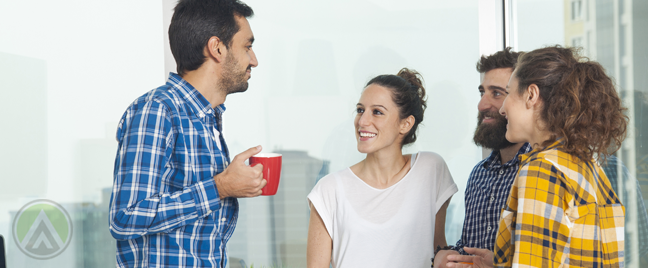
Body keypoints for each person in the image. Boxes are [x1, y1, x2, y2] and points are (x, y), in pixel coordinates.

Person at [109, 1, 264, 267]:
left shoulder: (205, 119)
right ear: (217, 48)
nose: (254, 60)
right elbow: (125, 217)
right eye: (247, 47)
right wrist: (220, 187)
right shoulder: (157, 110)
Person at [447, 46, 628, 268]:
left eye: (508, 92)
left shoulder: (541, 170)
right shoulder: (587, 165)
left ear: (531, 95)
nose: (503, 109)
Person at [306, 68, 458, 267]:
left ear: (405, 124)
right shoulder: (328, 190)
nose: (362, 121)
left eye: (377, 112)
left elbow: (437, 249)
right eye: (360, 110)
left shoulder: (431, 170)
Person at [432, 48, 532, 268]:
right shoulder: (480, 174)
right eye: (482, 92)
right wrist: (445, 256)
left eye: (496, 93)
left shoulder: (541, 170)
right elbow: (471, 247)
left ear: (528, 98)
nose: (482, 105)